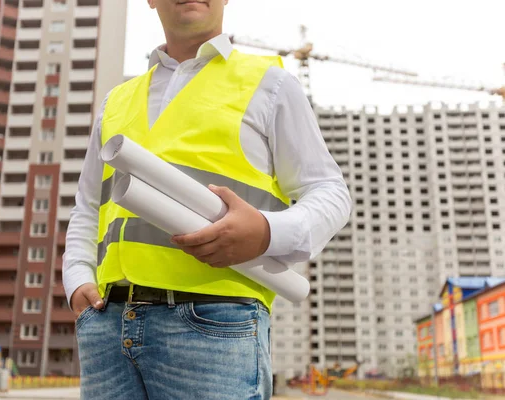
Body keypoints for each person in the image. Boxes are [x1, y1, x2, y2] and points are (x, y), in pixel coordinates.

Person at [63, 0, 351, 399]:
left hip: (215, 322)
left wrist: (267, 233)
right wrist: (77, 278)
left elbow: (330, 192)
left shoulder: (270, 84)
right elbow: (88, 205)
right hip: (108, 324)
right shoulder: (116, 101)